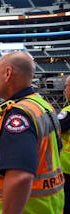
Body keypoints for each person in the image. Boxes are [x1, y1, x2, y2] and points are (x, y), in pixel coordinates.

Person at [0, 51, 64, 214]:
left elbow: (20, 177)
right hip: (48, 204)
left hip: (28, 208)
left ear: (7, 74)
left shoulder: (18, 116)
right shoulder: (42, 105)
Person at [58, 75, 70, 213]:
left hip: (67, 170)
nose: (65, 90)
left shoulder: (68, 112)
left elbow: (53, 128)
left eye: (66, 86)